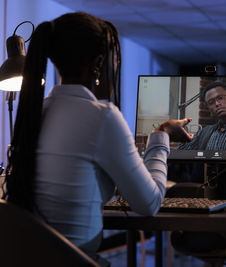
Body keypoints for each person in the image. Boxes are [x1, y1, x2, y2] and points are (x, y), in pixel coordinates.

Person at [1, 12, 191, 265]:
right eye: (115, 60)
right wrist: (161, 135)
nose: (116, 68)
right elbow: (149, 203)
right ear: (98, 64)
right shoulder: (102, 117)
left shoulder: (34, 113)